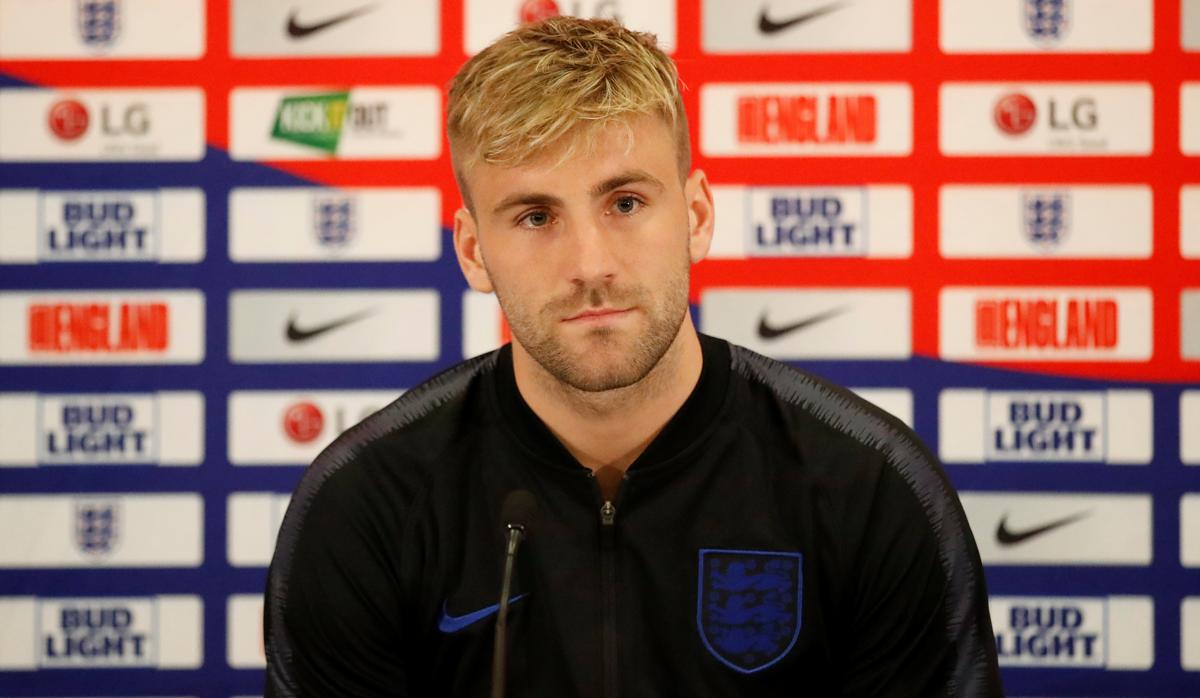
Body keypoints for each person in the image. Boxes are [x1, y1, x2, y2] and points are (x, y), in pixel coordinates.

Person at [264, 16, 1003, 697]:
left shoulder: (869, 487)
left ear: (696, 216)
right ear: (472, 251)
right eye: (535, 216)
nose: (590, 264)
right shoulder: (365, 506)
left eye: (624, 203)